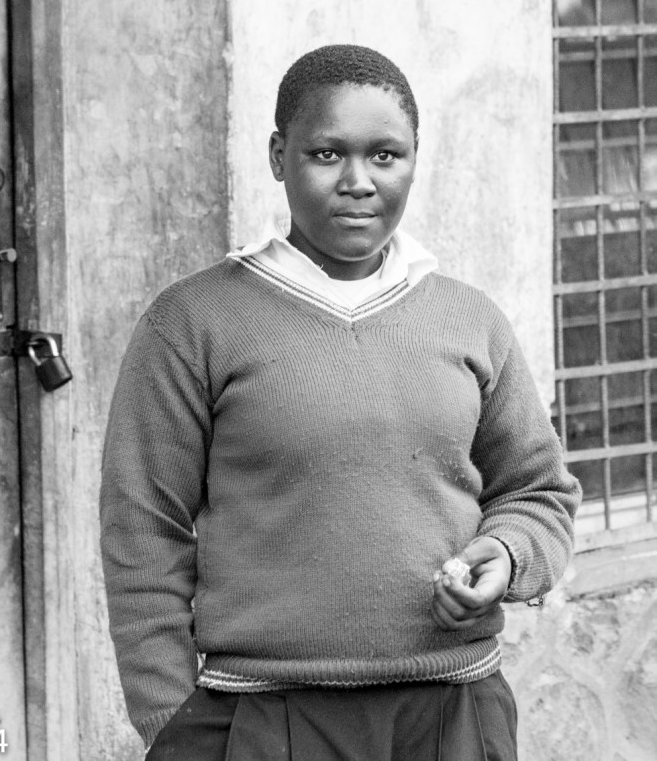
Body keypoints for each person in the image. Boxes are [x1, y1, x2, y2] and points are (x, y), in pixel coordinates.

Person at [99, 44, 581, 760]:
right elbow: (144, 530)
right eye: (326, 154)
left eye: (385, 156)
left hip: (452, 710)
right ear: (278, 156)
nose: (358, 182)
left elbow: (539, 490)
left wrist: (506, 556)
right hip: (263, 713)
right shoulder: (194, 323)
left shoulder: (468, 319)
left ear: (414, 160)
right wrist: (172, 722)